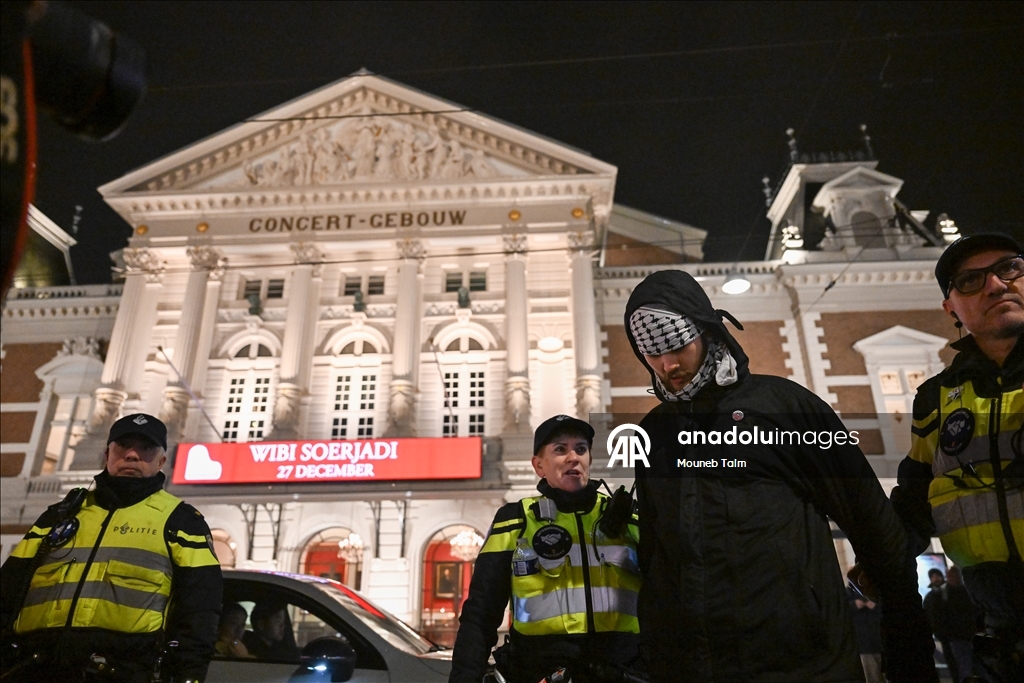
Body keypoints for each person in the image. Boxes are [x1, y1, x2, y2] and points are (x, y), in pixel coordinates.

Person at [623, 270, 937, 683]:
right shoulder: (654, 435)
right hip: (693, 669)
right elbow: (657, 559)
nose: (667, 364)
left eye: (678, 345)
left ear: (705, 329)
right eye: (651, 354)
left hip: (804, 665)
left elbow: (874, 526)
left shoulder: (784, 408)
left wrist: (908, 650)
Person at [889, 233, 1023, 682]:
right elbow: (916, 500)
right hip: (998, 628)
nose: (996, 285)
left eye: (1010, 268)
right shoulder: (938, 397)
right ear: (951, 309)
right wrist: (878, 560)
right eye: (970, 280)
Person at [0, 413, 223, 683]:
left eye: (146, 448)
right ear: (107, 453)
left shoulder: (182, 521)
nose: (131, 454)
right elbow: (8, 589)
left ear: (162, 461)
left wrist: (187, 677)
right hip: (33, 670)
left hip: (123, 673)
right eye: (123, 445)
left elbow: (200, 612)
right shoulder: (60, 515)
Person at [449, 415, 642, 683]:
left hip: (620, 673)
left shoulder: (628, 519)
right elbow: (480, 616)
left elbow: (665, 601)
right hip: (539, 674)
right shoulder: (514, 520)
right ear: (539, 465)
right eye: (560, 449)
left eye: (581, 449)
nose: (573, 457)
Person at [924, 567, 984, 683]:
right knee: (965, 665)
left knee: (965, 666)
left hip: (958, 635)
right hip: (956, 635)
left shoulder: (944, 594)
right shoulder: (937, 596)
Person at [848, 584, 884, 683]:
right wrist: (854, 605)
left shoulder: (878, 592)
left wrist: (875, 607)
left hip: (881, 644)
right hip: (864, 646)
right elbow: (840, 614)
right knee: (872, 677)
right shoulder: (848, 595)